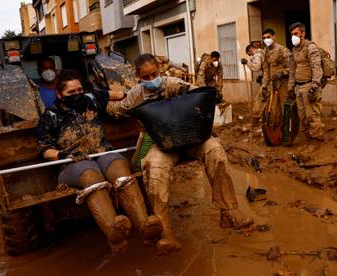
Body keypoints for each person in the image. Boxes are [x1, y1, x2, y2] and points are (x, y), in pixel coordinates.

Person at [107, 54, 253, 255]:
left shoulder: (173, 84)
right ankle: (166, 232)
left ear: (160, 70)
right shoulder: (135, 95)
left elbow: (199, 97)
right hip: (163, 143)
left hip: (192, 136)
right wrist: (105, 98)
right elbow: (117, 111)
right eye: (146, 77)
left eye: (154, 74)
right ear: (138, 76)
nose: (152, 80)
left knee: (216, 151)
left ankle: (229, 211)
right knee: (153, 167)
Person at [36, 70, 163, 255]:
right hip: (73, 163)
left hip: (103, 153)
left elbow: (116, 94)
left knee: (121, 170)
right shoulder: (50, 116)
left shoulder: (91, 98)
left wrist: (135, 96)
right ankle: (113, 232)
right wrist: (63, 155)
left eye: (79, 89)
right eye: (71, 92)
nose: (77, 94)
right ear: (59, 94)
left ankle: (144, 227)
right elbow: (44, 149)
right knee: (91, 175)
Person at [288, 22, 325, 141]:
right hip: (298, 88)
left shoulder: (310, 47)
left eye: (296, 33)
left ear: (303, 33)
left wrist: (314, 86)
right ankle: (309, 137)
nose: (293, 36)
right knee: (302, 116)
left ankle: (317, 139)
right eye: (292, 34)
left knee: (312, 116)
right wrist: (290, 87)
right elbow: (292, 71)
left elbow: (316, 67)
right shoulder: (294, 50)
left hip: (309, 86)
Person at [260, 29, 291, 111]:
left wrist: (282, 73)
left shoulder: (283, 50)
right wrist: (264, 86)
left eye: (268, 37)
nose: (266, 39)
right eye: (264, 38)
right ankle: (275, 123)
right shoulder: (265, 52)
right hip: (272, 82)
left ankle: (286, 123)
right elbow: (266, 70)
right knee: (272, 106)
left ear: (273, 37)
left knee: (284, 104)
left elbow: (292, 68)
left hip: (283, 82)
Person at [241, 44, 266, 124]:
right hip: (268, 78)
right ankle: (263, 117)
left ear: (251, 50)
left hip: (269, 81)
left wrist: (247, 62)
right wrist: (262, 76)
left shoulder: (257, 54)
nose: (251, 56)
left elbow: (256, 67)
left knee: (258, 100)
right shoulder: (263, 52)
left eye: (250, 54)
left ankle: (255, 120)